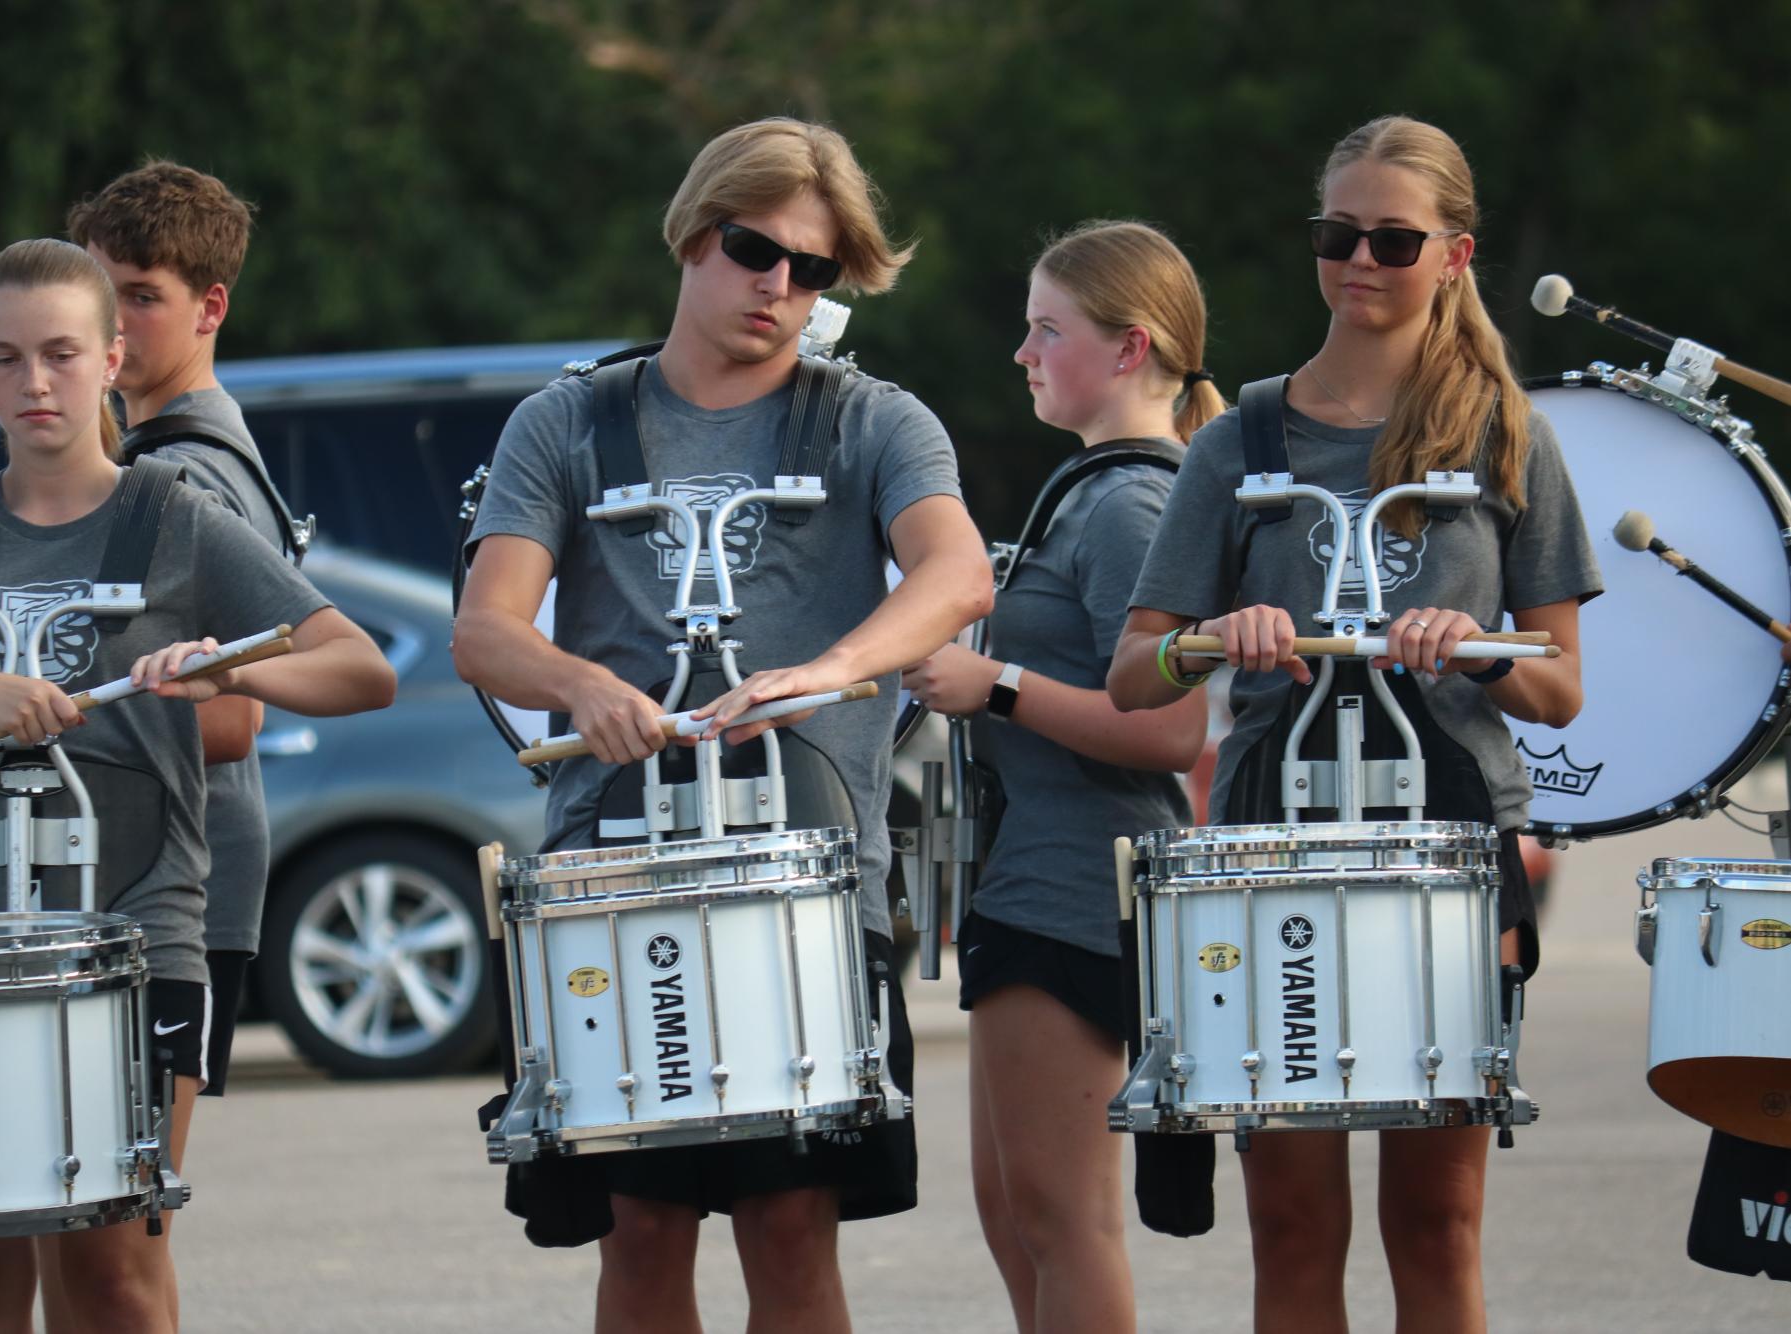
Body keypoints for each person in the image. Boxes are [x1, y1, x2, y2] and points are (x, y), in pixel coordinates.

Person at [0, 238, 396, 1334]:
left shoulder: (174, 515)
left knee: (112, 1272)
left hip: (135, 929)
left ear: (113, 357)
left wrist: (227, 665)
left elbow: (362, 666)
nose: (34, 383)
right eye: (7, 358)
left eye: (62, 354)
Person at [452, 117, 993, 1334]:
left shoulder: (874, 419)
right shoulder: (568, 420)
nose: (780, 287)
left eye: (815, 271)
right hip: (615, 871)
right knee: (640, 1233)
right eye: (758, 251)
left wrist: (831, 668)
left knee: (791, 1229)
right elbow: (485, 629)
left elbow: (958, 576)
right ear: (695, 236)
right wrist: (580, 682)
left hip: (811, 875)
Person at [1107, 115, 1601, 1334]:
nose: (1361, 260)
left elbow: (1562, 687)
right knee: (1293, 1226)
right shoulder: (1242, 436)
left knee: (1435, 1225)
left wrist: (1477, 651)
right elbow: (1133, 670)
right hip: (1276, 835)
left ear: (1454, 253)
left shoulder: (1505, 433)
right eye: (1338, 234)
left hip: (1449, 832)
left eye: (1393, 237)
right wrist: (1222, 638)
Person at [902, 220, 1214, 1334]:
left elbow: (1174, 727)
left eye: (1048, 330)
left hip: (1078, 887)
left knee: (1061, 1216)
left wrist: (996, 684)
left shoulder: (1132, 500)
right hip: (1027, 883)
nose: (1023, 354)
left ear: (1131, 348)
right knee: (1015, 1208)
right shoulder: (1089, 487)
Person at [68, 159, 289, 1101]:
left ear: (211, 308)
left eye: (142, 297)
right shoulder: (150, 458)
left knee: (124, 1233)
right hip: (147, 867)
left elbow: (237, 717)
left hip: (176, 883)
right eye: (97, 294)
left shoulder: (190, 476)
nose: (112, 324)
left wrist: (37, 715)